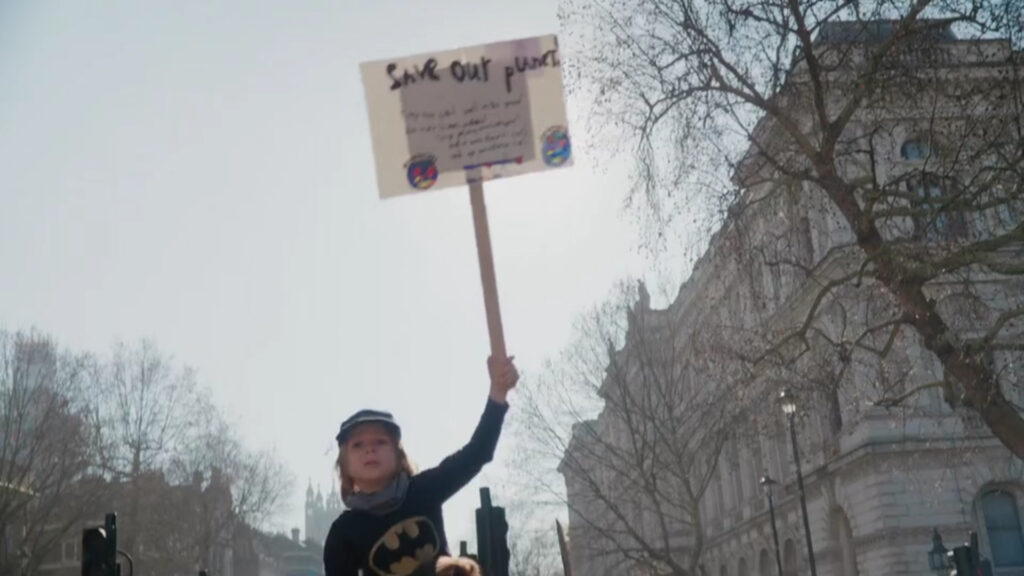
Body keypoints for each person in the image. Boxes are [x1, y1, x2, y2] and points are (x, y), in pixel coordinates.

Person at [323, 355, 519, 576]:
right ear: (345, 466)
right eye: (358, 445)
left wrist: (498, 392)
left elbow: (477, 453)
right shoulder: (344, 532)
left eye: (380, 441)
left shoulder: (423, 491)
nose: (370, 449)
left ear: (399, 456)